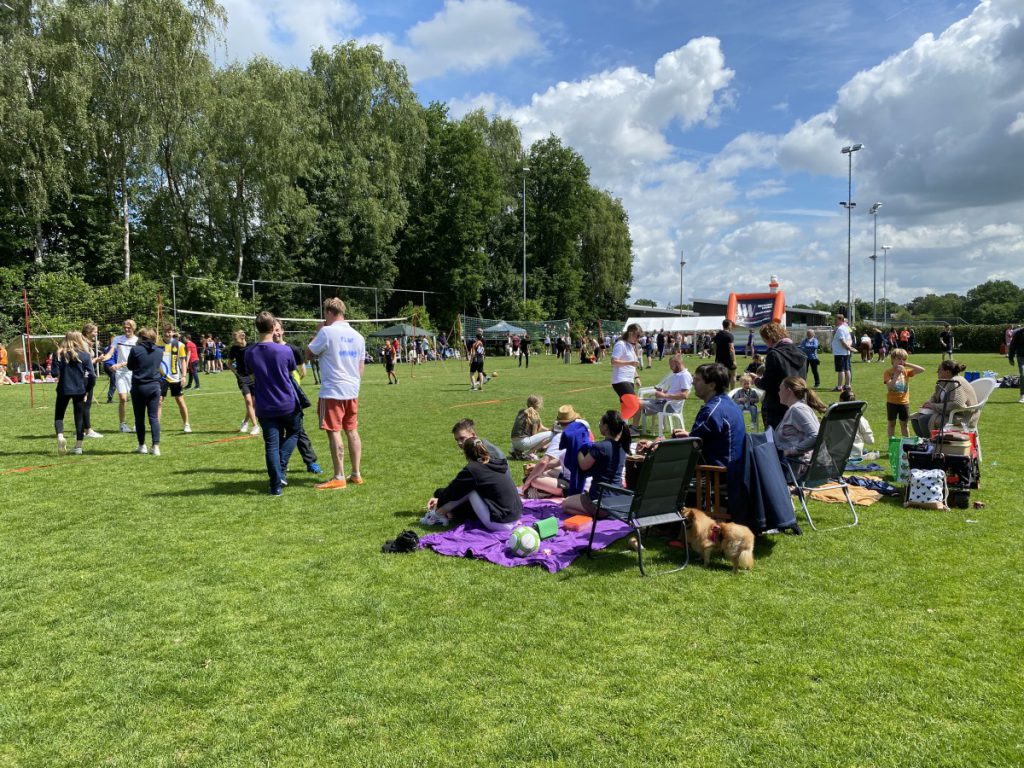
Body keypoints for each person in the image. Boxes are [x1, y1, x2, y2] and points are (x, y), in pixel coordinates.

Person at [308, 297, 365, 490]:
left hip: (333, 390)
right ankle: (356, 474)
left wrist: (317, 332)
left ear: (328, 313)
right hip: (352, 390)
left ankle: (339, 476)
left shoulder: (326, 332)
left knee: (334, 431)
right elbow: (361, 367)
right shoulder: (358, 336)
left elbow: (309, 353)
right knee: (352, 430)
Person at [676, 363, 747, 507]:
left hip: (716, 473)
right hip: (734, 468)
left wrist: (658, 445)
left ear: (711, 385)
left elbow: (691, 447)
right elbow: (705, 437)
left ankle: (673, 517)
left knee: (657, 467)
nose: (692, 382)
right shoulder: (729, 404)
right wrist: (689, 435)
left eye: (697, 380)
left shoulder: (712, 411)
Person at [245, 312, 300, 495]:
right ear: (272, 327)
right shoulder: (285, 350)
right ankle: (281, 468)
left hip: (264, 405)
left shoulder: (249, 352)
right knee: (294, 432)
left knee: (271, 445)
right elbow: (291, 372)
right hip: (286, 402)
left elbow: (251, 374)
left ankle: (276, 485)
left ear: (257, 328)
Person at [426, 438, 523, 532]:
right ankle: (444, 512)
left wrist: (439, 502)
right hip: (516, 517)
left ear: (466, 454)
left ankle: (437, 515)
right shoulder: (496, 463)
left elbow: (453, 491)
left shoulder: (473, 469)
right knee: (467, 488)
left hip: (500, 523)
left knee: (468, 490)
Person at [272, 319, 321, 475]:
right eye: (272, 330)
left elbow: (302, 371)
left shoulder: (292, 349)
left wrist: (294, 384)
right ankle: (282, 464)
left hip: (292, 398)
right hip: (274, 398)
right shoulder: (268, 350)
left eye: (278, 329)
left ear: (283, 330)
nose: (276, 333)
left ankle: (310, 462)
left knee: (299, 431)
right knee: (278, 433)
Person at [562, 410, 631, 518]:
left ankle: (598, 516)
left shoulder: (600, 447)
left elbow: (583, 465)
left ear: (606, 426)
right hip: (618, 498)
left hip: (600, 500)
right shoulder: (622, 447)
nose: (599, 425)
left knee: (565, 504)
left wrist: (578, 450)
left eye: (600, 423)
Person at [520, 407, 591, 499]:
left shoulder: (561, 436)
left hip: (575, 485)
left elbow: (544, 462)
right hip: (588, 480)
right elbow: (560, 460)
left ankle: (544, 492)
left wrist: (528, 481)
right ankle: (544, 490)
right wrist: (537, 467)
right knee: (544, 472)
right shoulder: (585, 432)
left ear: (559, 422)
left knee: (534, 480)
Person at [757, 322, 807, 431]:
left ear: (769, 338)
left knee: (774, 437)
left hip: (777, 404)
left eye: (764, 340)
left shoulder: (774, 354)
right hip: (798, 402)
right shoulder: (801, 353)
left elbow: (767, 383)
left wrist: (756, 380)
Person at [911, 360, 979, 438]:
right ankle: (925, 441)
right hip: (948, 413)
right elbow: (935, 396)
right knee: (915, 418)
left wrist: (933, 406)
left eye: (939, 369)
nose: (937, 372)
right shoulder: (944, 381)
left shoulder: (956, 382)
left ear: (947, 372)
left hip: (960, 417)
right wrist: (928, 403)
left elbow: (957, 404)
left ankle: (930, 442)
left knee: (924, 419)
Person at [775, 377, 828, 475]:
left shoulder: (797, 410)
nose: (778, 393)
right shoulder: (798, 408)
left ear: (788, 391)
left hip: (794, 467)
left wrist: (791, 451)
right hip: (791, 464)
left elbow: (816, 436)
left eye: (780, 389)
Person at [53, 331, 93, 455]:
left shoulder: (59, 354)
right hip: (80, 389)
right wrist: (87, 389)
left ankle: (60, 436)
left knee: (59, 415)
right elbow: (92, 375)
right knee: (79, 418)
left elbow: (54, 373)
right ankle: (78, 446)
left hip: (63, 388)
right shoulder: (85, 355)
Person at [126, 327, 164, 456]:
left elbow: (130, 366)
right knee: (154, 417)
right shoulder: (159, 351)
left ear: (141, 338)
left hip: (139, 386)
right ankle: (156, 446)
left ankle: (142, 445)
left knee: (139, 418)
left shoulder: (135, 349)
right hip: (154, 386)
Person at [633, 354, 691, 432]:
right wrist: (664, 392)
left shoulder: (684, 376)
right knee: (635, 401)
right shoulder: (678, 374)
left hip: (670, 406)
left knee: (637, 403)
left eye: (672, 365)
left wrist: (664, 395)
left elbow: (684, 395)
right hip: (665, 402)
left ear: (678, 363)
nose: (670, 367)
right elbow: (676, 391)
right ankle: (632, 426)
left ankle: (633, 429)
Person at [883, 348, 925, 438]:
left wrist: (906, 364)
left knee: (904, 424)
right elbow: (890, 386)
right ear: (892, 359)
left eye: (904, 359)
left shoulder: (906, 371)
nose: (901, 361)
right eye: (899, 359)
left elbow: (922, 369)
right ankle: (891, 443)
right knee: (891, 424)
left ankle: (907, 442)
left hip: (904, 402)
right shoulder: (888, 372)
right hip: (892, 402)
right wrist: (896, 374)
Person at [158, 325, 192, 434]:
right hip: (161, 377)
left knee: (180, 400)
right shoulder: (157, 344)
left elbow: (183, 361)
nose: (167, 334)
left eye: (170, 332)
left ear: (173, 332)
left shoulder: (179, 345)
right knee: (159, 401)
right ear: (162, 332)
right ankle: (157, 426)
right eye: (165, 331)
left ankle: (186, 424)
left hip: (175, 377)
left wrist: (184, 376)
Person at [108, 319, 138, 433]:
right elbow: (110, 353)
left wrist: (120, 364)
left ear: (133, 328)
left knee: (135, 399)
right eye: (125, 327)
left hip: (133, 372)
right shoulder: (117, 339)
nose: (126, 329)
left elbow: (134, 359)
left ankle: (137, 423)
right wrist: (102, 358)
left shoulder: (137, 341)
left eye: (129, 327)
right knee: (123, 398)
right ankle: (122, 425)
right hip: (120, 372)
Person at [228, 330, 260, 437]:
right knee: (248, 401)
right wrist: (236, 374)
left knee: (253, 403)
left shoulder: (252, 346)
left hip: (253, 377)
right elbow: (229, 364)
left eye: (235, 338)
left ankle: (245, 422)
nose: (234, 340)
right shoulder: (234, 349)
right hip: (242, 378)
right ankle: (255, 426)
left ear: (242, 337)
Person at [510, 395, 553, 460]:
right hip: (523, 443)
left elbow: (541, 427)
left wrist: (550, 429)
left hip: (514, 442)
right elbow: (534, 435)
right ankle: (530, 453)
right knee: (551, 434)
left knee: (549, 432)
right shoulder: (534, 415)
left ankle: (517, 451)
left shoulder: (521, 411)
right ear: (538, 405)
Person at [79, 324, 103, 438]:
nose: (96, 334)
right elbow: (84, 362)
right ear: (88, 332)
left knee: (83, 404)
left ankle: (82, 429)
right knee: (86, 404)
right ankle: (88, 430)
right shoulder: (83, 344)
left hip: (86, 376)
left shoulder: (85, 343)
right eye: (95, 332)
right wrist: (96, 360)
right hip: (85, 377)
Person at [840, 387, 876, 461]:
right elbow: (870, 441)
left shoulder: (832, 418)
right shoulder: (859, 418)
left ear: (841, 401)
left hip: (835, 454)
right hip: (855, 453)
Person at [611, 323, 641, 401]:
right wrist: (630, 363)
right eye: (637, 336)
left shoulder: (631, 346)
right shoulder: (621, 344)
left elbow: (632, 365)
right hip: (621, 380)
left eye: (639, 336)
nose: (638, 338)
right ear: (630, 333)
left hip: (629, 380)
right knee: (633, 404)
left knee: (626, 406)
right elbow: (613, 361)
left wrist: (637, 377)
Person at [831, 314, 855, 391]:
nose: (834, 321)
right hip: (845, 353)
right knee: (847, 369)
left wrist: (849, 348)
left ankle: (839, 387)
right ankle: (847, 386)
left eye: (836, 319)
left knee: (841, 370)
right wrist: (849, 348)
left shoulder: (840, 329)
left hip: (840, 353)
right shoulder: (846, 328)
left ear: (840, 320)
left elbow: (843, 341)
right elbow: (850, 340)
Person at [713, 319, 737, 388]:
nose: (731, 327)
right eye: (731, 325)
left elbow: (714, 346)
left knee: (722, 376)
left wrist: (716, 355)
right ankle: (732, 391)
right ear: (729, 325)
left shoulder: (718, 335)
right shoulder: (730, 335)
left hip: (719, 359)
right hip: (729, 359)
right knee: (733, 375)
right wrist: (734, 360)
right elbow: (731, 348)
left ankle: (724, 391)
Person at [1008, 325, 1024, 404]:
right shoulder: (1018, 333)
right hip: (1021, 357)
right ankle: (1022, 395)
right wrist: (1011, 358)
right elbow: (1012, 346)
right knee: (1023, 375)